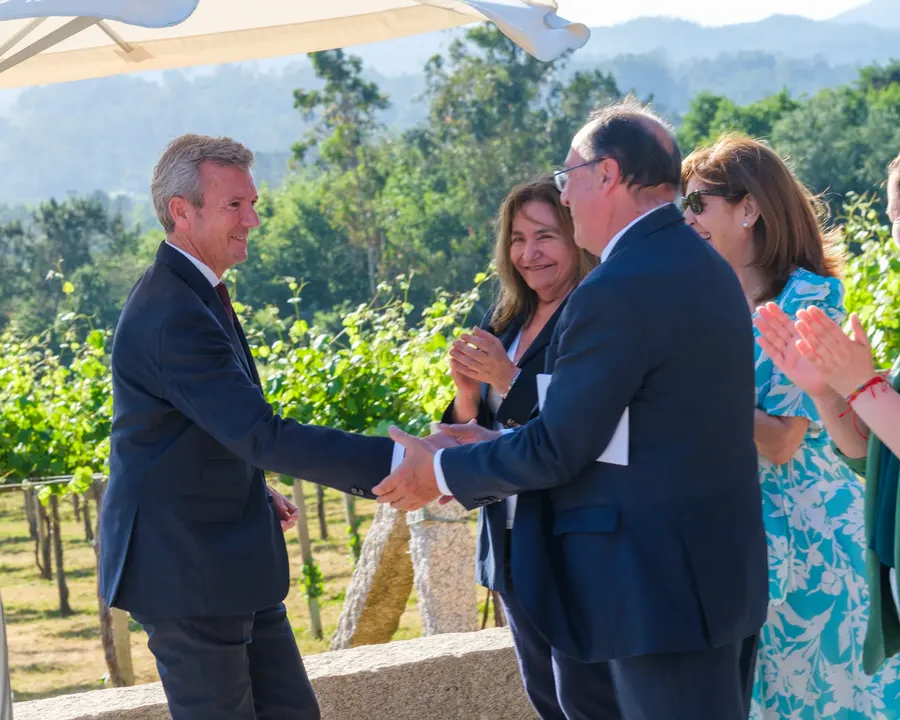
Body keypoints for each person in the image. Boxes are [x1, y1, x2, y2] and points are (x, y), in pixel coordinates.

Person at [376, 98, 768, 720]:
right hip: (715, 578)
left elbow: (562, 446)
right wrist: (485, 444)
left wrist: (441, 473)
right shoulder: (703, 265)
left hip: (655, 592)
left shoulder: (617, 287)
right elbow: (643, 423)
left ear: (607, 175)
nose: (565, 196)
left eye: (568, 179)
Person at [98, 134, 427, 719]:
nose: (252, 218)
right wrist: (402, 466)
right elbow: (260, 432)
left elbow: (196, 429)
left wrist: (247, 481)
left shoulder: (193, 293)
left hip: (228, 553)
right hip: (188, 569)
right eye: (234, 205)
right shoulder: (174, 311)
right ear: (182, 210)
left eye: (253, 202)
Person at [681, 134, 900, 718]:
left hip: (808, 542)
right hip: (734, 536)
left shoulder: (810, 301)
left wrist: (693, 389)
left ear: (748, 209)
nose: (687, 217)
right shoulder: (701, 305)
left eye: (698, 202)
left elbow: (781, 442)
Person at [441, 175, 616, 718]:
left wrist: (509, 377)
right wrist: (467, 395)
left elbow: (588, 423)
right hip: (508, 542)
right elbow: (475, 425)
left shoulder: (594, 314)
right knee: (545, 697)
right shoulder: (504, 320)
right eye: (517, 239)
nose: (528, 253)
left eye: (545, 236)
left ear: (575, 236)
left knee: (585, 699)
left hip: (569, 542)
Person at [753, 149, 900, 683]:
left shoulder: (811, 295)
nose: (897, 226)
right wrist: (824, 392)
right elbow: (868, 455)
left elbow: (783, 442)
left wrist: (862, 385)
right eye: (893, 214)